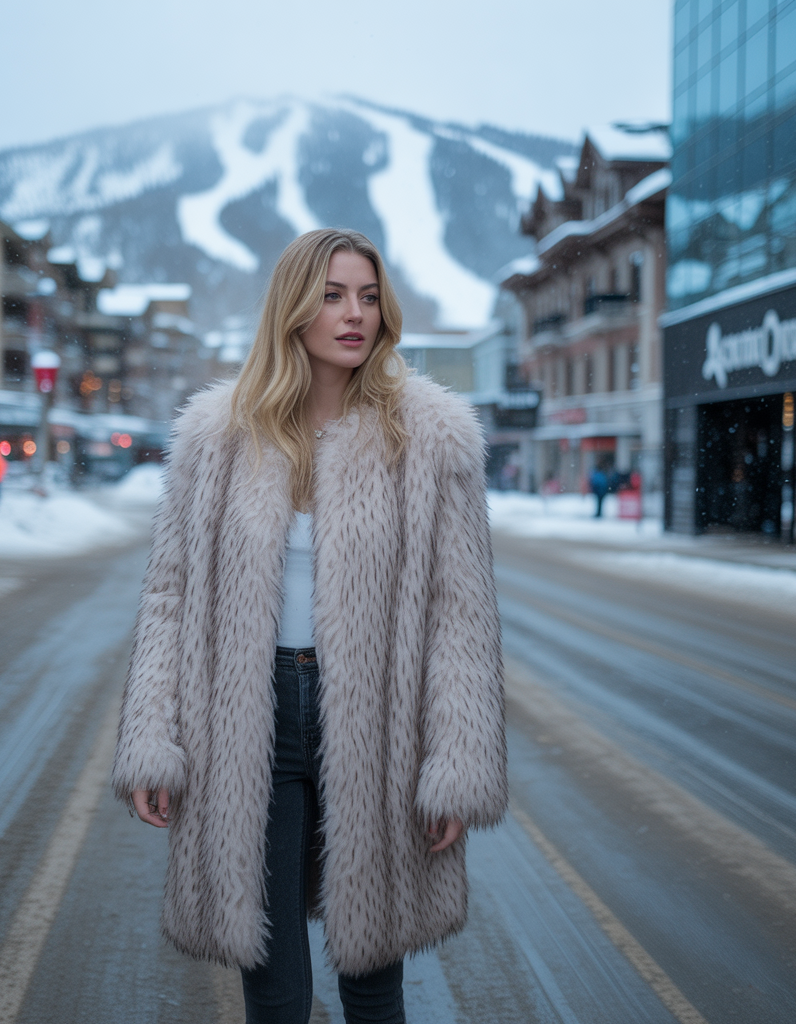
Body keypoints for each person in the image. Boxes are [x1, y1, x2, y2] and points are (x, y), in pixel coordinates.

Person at [112, 228, 507, 1024]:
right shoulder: (217, 438)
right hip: (248, 718)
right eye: (332, 296)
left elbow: (460, 616)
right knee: (274, 978)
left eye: (367, 296)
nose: (354, 314)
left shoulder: (430, 439)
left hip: (376, 723)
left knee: (372, 975)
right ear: (293, 308)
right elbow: (170, 598)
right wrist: (151, 736)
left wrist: (456, 763)